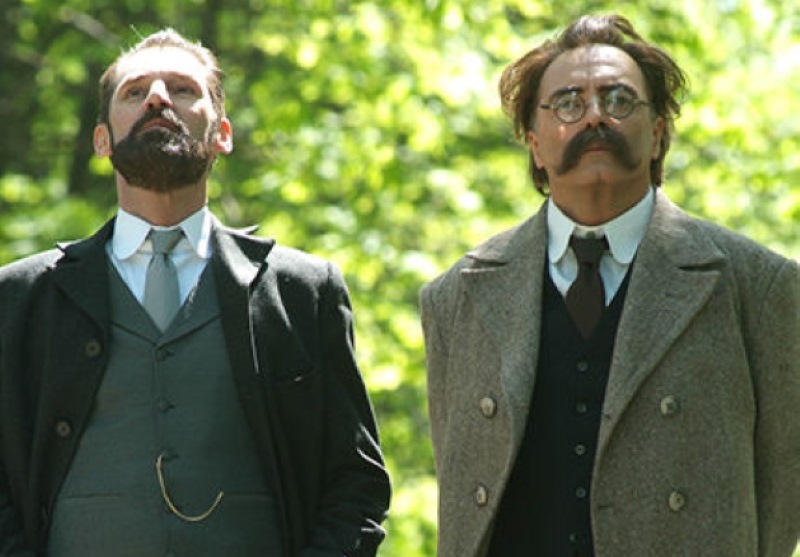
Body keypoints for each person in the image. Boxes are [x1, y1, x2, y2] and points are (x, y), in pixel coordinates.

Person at [420, 13, 799, 557]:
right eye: (568, 103)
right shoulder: (456, 298)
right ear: (535, 144)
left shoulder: (756, 287)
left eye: (620, 100)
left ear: (658, 134)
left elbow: (783, 489)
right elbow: (461, 489)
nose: (595, 115)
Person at [0, 28, 390, 556]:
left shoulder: (302, 293)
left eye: (183, 89)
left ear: (222, 134)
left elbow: (355, 484)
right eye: (135, 92)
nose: (158, 98)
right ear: (101, 140)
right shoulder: (20, 298)